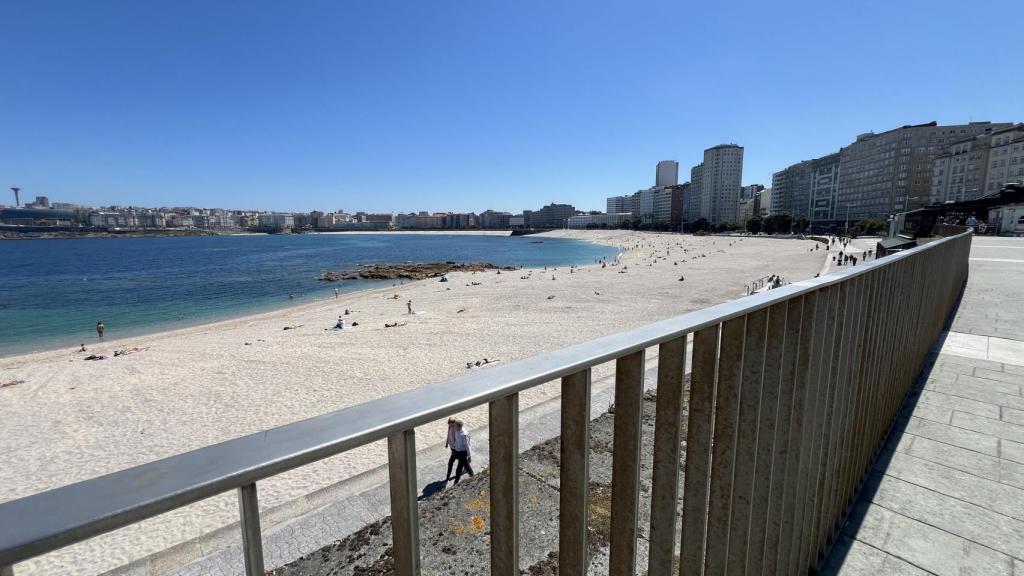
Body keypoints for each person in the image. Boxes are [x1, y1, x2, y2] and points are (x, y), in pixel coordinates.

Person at [448, 419, 474, 484]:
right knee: (466, 466)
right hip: (457, 451)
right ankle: (473, 476)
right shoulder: (456, 430)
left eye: (455, 425)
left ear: (458, 426)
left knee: (459, 469)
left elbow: (467, 446)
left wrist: (469, 456)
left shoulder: (464, 435)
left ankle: (455, 483)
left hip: (463, 453)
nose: (453, 426)